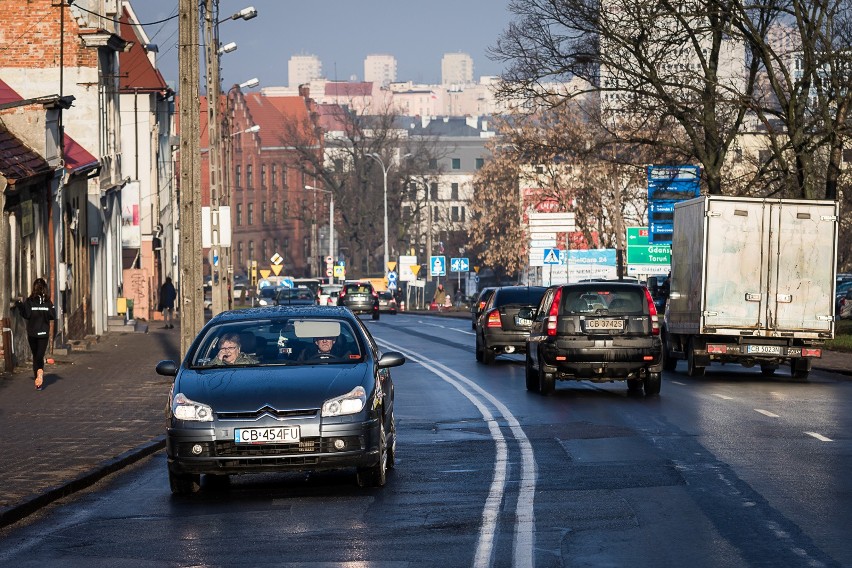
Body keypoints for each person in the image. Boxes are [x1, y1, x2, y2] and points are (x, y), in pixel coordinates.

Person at [15, 277, 56, 390]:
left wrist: (19, 305)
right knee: (39, 356)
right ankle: (39, 377)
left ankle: (38, 381)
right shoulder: (47, 302)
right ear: (45, 289)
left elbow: (26, 314)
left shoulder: (30, 301)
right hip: (43, 333)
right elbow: (53, 315)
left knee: (36, 356)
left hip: (32, 332)